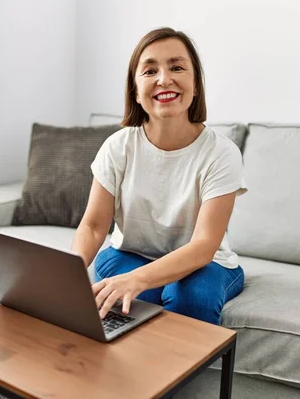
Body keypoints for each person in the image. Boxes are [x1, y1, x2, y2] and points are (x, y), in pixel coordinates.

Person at [70, 27, 247, 325]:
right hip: (130, 253)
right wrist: (67, 276)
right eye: (150, 70)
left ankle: (182, 372)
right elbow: (93, 224)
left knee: (188, 298)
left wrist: (137, 280)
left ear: (195, 84)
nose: (164, 79)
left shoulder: (221, 153)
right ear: (136, 91)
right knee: (134, 297)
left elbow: (204, 245)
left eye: (177, 67)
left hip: (205, 263)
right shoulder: (118, 146)